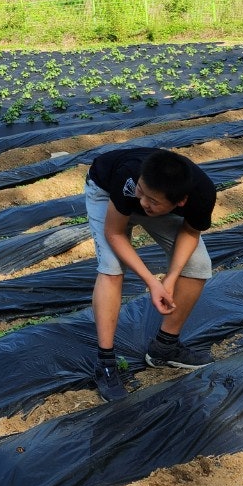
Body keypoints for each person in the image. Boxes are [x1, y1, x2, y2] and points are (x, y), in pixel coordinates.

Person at [86, 147, 216, 403]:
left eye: (152, 200)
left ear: (181, 202)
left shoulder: (202, 194)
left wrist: (171, 277)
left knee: (198, 265)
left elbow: (190, 232)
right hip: (107, 194)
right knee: (111, 269)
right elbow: (115, 233)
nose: (144, 202)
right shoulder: (131, 179)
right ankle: (106, 363)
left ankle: (165, 347)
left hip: (155, 205)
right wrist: (152, 282)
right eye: (142, 193)